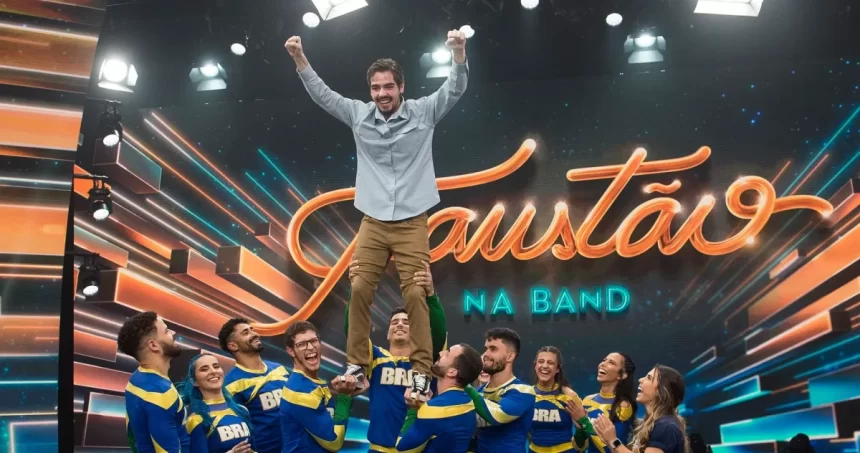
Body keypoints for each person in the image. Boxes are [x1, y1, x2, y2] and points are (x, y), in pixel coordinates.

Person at [284, 27, 469, 401]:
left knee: (416, 293)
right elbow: (324, 95)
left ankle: (421, 370)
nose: (382, 94)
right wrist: (300, 60)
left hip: (413, 220)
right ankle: (357, 365)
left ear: (401, 87)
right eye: (376, 88)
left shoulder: (423, 113)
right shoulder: (358, 115)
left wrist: (459, 55)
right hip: (372, 219)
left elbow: (454, 88)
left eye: (388, 87)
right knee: (359, 287)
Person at [346, 259, 448, 453]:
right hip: (379, 449)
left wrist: (431, 295)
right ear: (387, 333)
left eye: (406, 322)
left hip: (417, 448)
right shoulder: (374, 356)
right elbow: (353, 329)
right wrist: (356, 291)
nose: (399, 324)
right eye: (395, 322)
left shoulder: (427, 359)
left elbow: (439, 331)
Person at [279, 321, 360, 452]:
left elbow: (330, 419)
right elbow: (334, 442)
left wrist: (349, 393)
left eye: (313, 341)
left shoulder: (313, 382)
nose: (310, 347)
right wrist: (344, 397)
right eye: (301, 344)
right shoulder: (302, 391)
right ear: (291, 351)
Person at [117, 311, 190, 452]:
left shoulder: (136, 378)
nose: (173, 333)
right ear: (154, 345)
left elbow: (134, 436)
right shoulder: (160, 393)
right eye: (167, 331)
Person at [395, 343, 483, 453]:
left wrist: (413, 410)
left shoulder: (432, 410)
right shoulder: (469, 403)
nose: (441, 353)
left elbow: (402, 449)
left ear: (452, 372)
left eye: (448, 353)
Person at [218, 318, 290, 453]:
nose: (255, 334)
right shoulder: (231, 385)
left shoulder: (279, 369)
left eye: (252, 330)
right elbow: (237, 431)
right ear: (233, 346)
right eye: (246, 333)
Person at [464, 327, 536, 453]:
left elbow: (497, 415)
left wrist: (463, 382)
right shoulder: (479, 392)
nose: (485, 354)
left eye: (493, 349)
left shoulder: (523, 391)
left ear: (510, 356)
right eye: (486, 349)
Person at [593, 365, 687, 453]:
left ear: (661, 391)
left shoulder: (665, 427)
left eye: (649, 378)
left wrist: (613, 440)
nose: (640, 380)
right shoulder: (655, 424)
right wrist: (609, 441)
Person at [179, 353, 254, 453]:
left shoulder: (242, 410)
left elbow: (254, 447)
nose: (213, 371)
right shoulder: (196, 420)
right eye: (204, 369)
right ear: (194, 382)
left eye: (216, 366)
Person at [566, 352, 637, 453]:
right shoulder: (587, 400)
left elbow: (613, 448)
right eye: (604, 360)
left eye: (611, 363)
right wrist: (580, 430)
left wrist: (584, 422)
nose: (603, 364)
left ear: (622, 375)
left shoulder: (623, 406)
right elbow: (579, 447)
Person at [530, 346, 582, 453]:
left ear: (558, 368)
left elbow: (582, 431)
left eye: (550, 363)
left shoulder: (569, 396)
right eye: (541, 361)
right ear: (535, 365)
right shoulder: (527, 394)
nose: (545, 366)